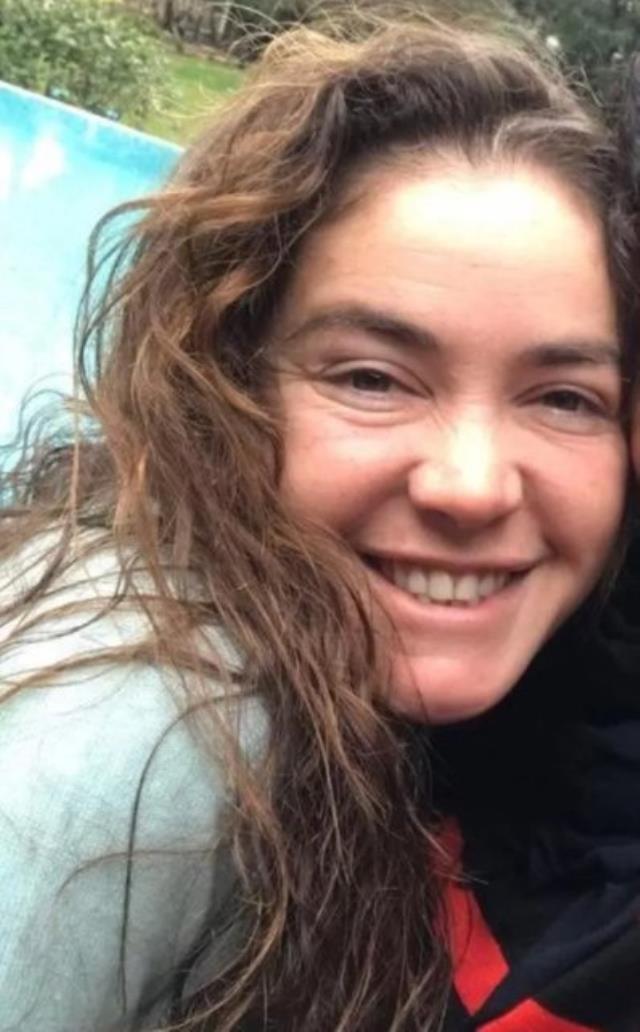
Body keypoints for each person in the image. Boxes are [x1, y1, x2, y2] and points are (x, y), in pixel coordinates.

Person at [0, 8, 637, 1031]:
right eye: (372, 379)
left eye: (564, 398)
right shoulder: (136, 733)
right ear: (226, 383)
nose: (471, 486)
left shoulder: (479, 728)